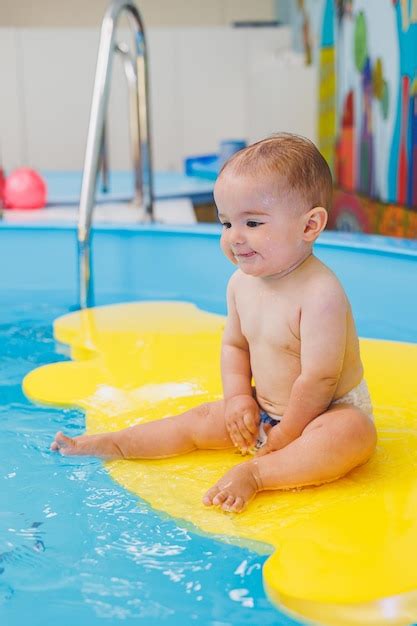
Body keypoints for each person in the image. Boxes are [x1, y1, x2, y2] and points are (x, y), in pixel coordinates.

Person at [51, 133, 377, 513]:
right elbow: (235, 346)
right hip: (266, 407)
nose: (235, 238)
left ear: (309, 227)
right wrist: (239, 399)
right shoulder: (241, 283)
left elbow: (319, 379)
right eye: (225, 224)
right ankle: (114, 444)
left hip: (327, 410)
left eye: (252, 223)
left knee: (350, 436)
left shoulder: (321, 294)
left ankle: (258, 474)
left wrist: (288, 432)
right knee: (201, 419)